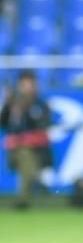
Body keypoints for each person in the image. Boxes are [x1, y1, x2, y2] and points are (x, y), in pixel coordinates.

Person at [1, 71, 53, 210]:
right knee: (25, 158)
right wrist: (7, 107)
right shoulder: (12, 104)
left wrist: (26, 138)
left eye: (29, 84)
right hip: (13, 150)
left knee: (26, 156)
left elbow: (44, 127)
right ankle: (36, 179)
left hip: (36, 150)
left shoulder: (40, 104)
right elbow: (4, 124)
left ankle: (23, 198)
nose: (26, 87)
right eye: (24, 84)